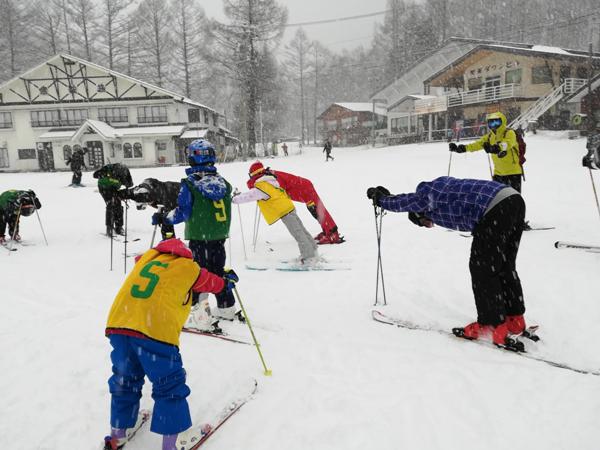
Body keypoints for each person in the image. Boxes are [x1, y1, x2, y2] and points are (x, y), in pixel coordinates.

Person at [104, 238, 239, 450]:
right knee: (169, 384)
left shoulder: (147, 259)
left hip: (119, 325)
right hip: (154, 331)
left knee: (125, 379)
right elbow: (210, 282)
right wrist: (225, 283)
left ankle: (118, 433)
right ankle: (173, 441)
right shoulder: (186, 267)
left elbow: (139, 259)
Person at [366, 176, 527, 348]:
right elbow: (409, 201)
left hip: (494, 209)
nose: (429, 224)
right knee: (504, 265)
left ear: (421, 211)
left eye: (424, 221)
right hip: (513, 201)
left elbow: (405, 202)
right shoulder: (440, 192)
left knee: (483, 269)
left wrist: (382, 200)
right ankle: (515, 318)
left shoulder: (427, 195)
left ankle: (491, 324)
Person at [158, 139, 241, 332]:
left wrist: (166, 218)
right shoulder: (223, 183)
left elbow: (183, 212)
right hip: (219, 236)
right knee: (217, 272)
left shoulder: (190, 184)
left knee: (197, 275)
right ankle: (226, 307)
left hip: (199, 237)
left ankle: (201, 317)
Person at [234, 162, 318, 263]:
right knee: (301, 230)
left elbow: (249, 196)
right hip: (289, 207)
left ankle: (308, 257)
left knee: (297, 233)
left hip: (284, 211)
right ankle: (313, 250)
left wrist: (235, 199)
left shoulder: (262, 186)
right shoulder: (270, 181)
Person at [246, 161, 343, 244]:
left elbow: (277, 192)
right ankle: (327, 231)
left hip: (304, 189)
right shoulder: (268, 176)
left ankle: (332, 234)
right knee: (316, 211)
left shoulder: (271, 178)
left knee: (318, 211)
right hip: (303, 188)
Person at [449, 111, 523, 192]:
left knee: (514, 199)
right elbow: (477, 144)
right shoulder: (490, 137)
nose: (494, 125)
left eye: (497, 122)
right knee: (498, 200)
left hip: (513, 173)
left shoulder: (509, 132)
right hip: (498, 174)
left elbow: (508, 143)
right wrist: (462, 148)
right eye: (491, 123)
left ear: (502, 122)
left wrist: (496, 148)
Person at [93, 163, 133, 236]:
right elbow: (95, 175)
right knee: (111, 204)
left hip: (114, 188)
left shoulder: (125, 171)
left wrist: (127, 183)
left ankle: (119, 227)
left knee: (118, 205)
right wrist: (102, 174)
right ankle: (109, 227)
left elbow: (130, 183)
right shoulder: (108, 168)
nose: (118, 177)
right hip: (104, 187)